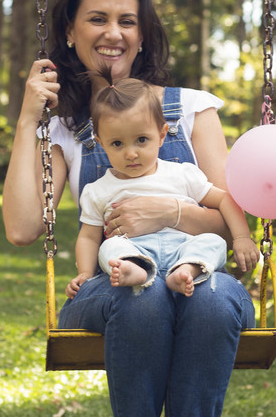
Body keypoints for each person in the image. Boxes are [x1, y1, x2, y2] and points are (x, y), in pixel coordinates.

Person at [3, 0, 257, 417]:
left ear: (143, 35)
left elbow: (234, 216)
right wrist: (29, 120)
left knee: (211, 299)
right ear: (70, 32)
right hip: (113, 284)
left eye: (127, 20)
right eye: (97, 19)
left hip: (196, 272)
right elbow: (22, 227)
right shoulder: (65, 128)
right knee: (141, 297)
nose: (113, 33)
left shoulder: (191, 110)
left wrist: (173, 212)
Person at [71, 77, 259, 300]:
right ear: (101, 143)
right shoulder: (98, 190)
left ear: (161, 135)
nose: (131, 153)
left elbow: (224, 199)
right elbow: (89, 238)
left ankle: (187, 269)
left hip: (184, 248)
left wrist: (242, 237)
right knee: (109, 247)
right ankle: (134, 269)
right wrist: (85, 273)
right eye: (117, 143)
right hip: (134, 250)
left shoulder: (181, 174)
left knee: (214, 242)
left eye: (142, 139)